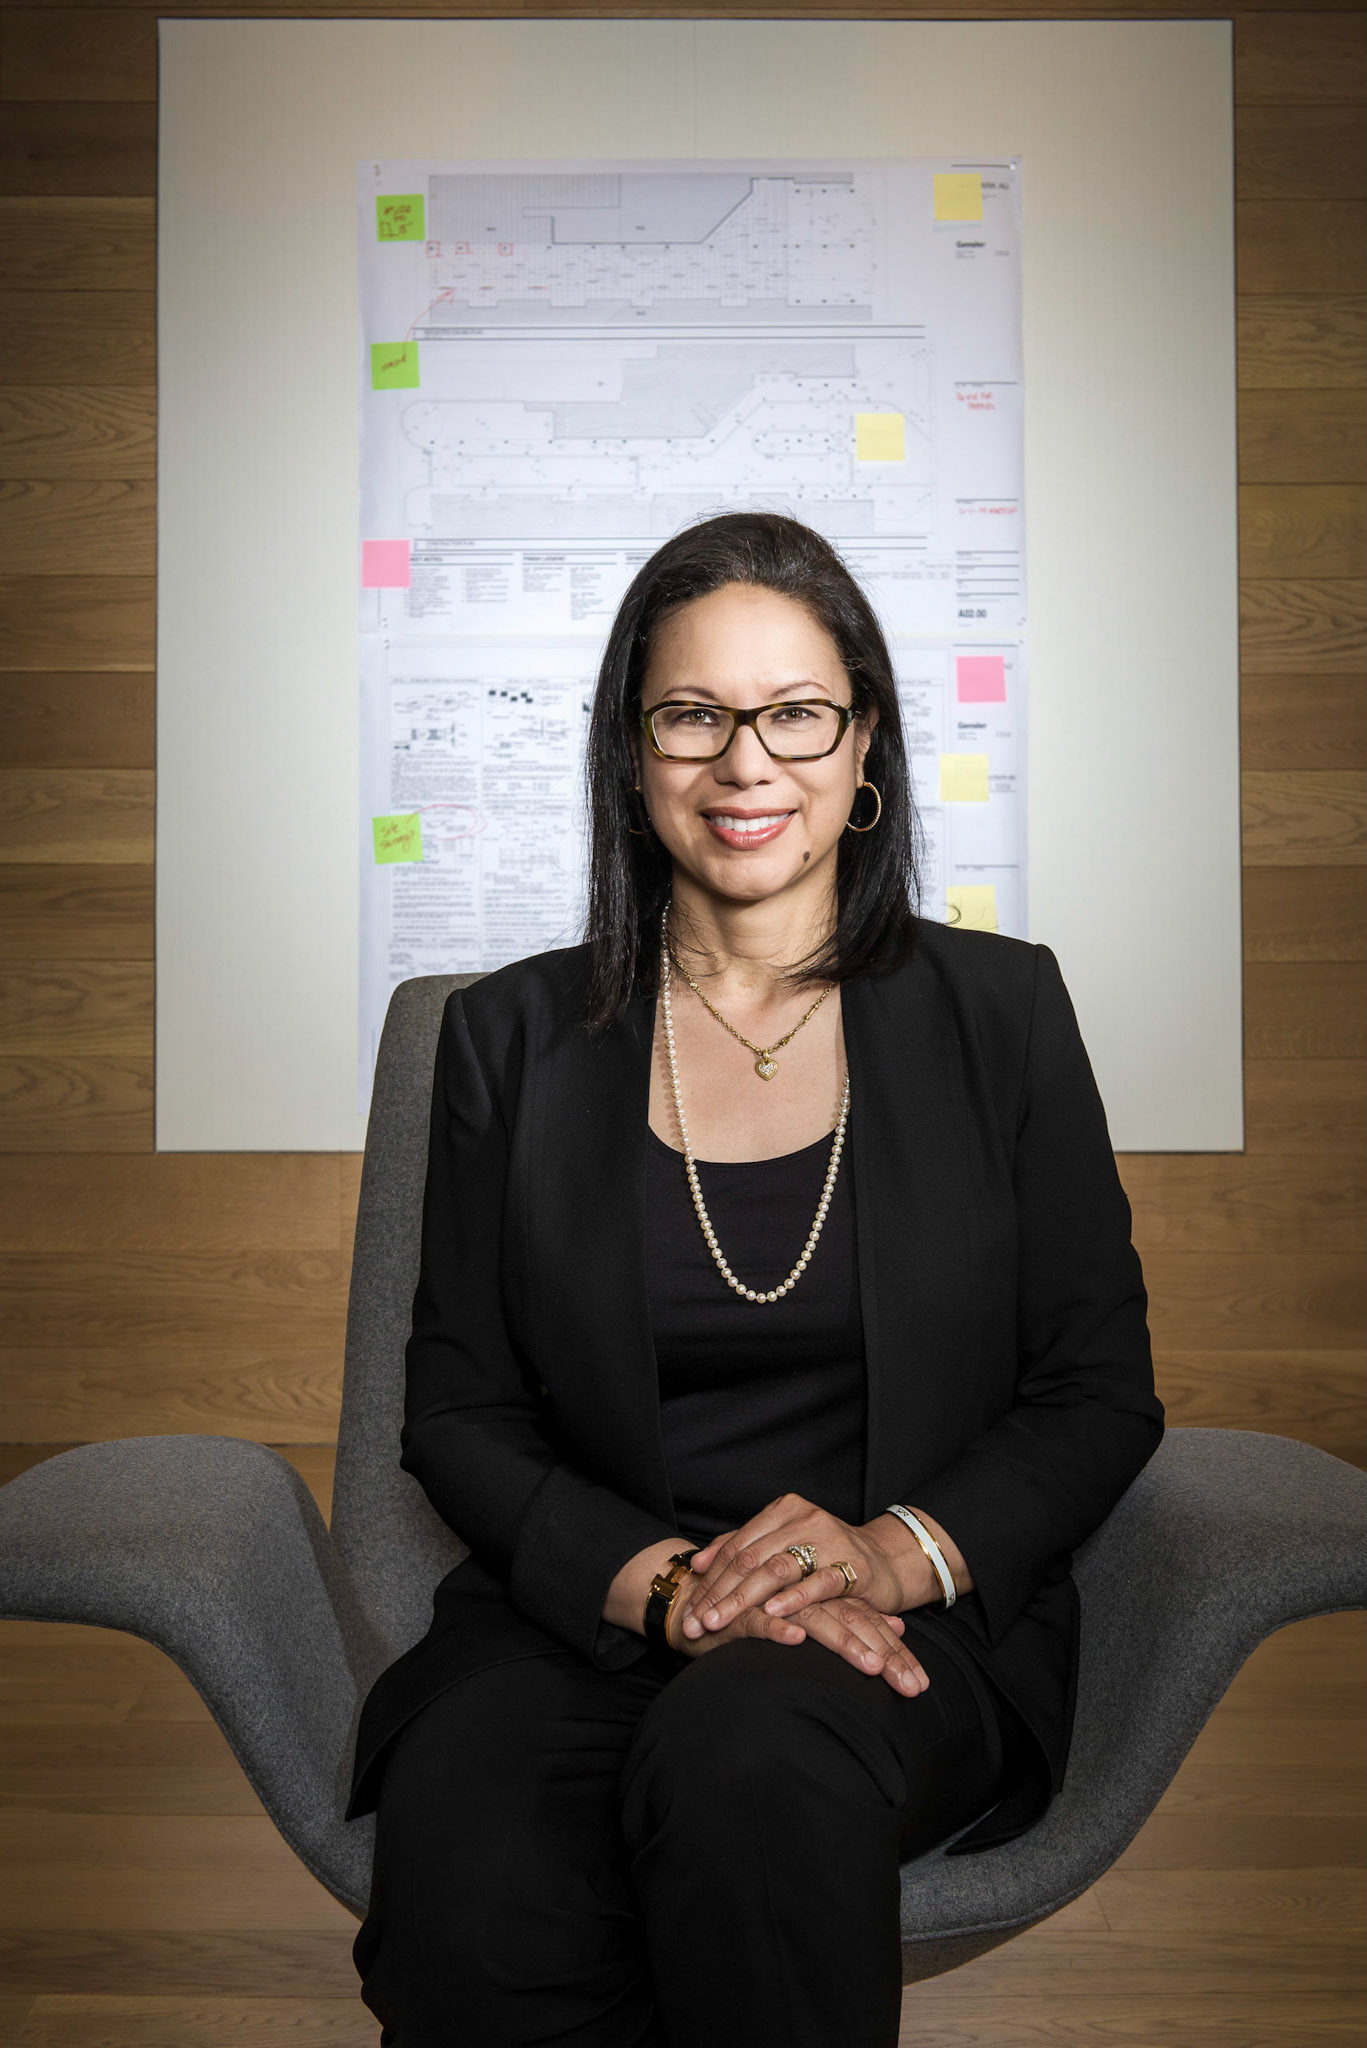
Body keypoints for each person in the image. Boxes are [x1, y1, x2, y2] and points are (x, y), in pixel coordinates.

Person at [345, 511, 1164, 2047]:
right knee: (477, 1871)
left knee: (749, 1757)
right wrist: (670, 1591)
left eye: (794, 712)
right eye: (693, 715)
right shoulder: (507, 1042)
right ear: (632, 755)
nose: (746, 764)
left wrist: (890, 1556)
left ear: (865, 753)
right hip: (587, 1617)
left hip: (901, 1636)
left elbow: (1097, 1391)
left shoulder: (1005, 1011)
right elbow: (455, 1416)